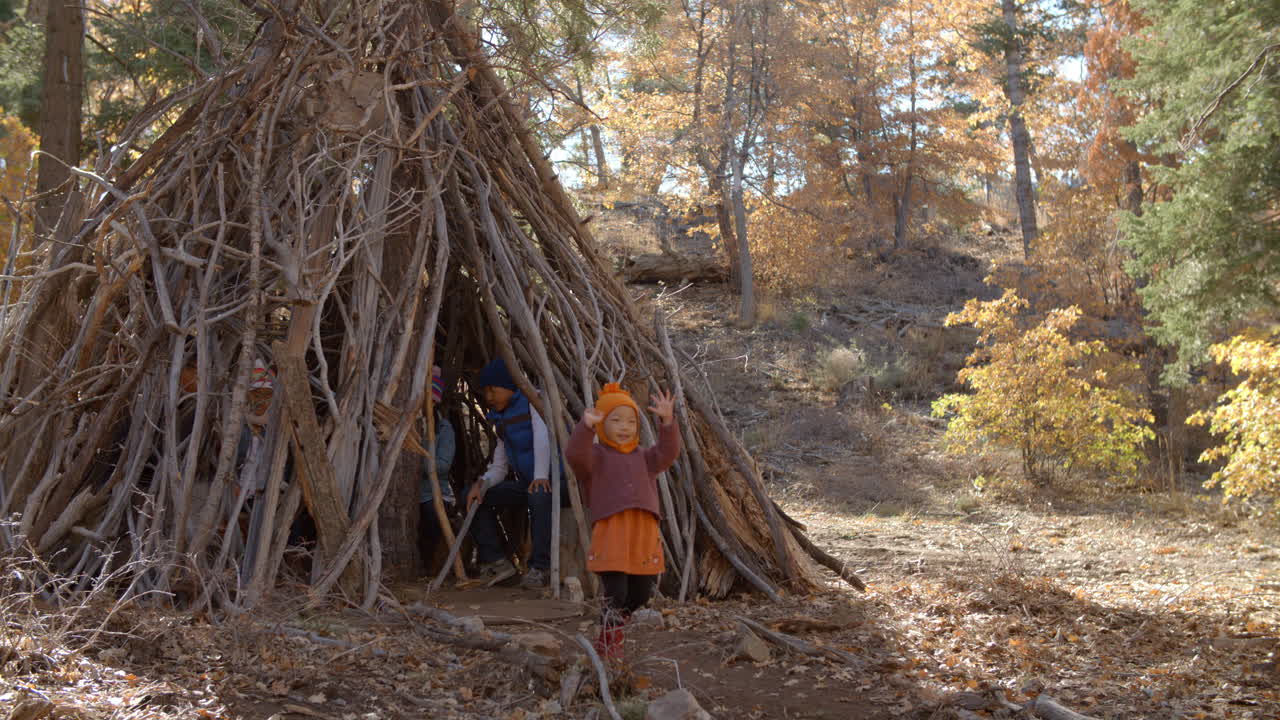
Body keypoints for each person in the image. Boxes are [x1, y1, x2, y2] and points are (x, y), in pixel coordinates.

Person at [565, 383, 680, 660]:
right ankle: (609, 640)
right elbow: (575, 456)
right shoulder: (596, 458)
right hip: (612, 530)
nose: (624, 427)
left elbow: (669, 453)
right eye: (615, 420)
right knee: (615, 589)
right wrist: (586, 427)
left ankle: (615, 624)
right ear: (603, 423)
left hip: (643, 530)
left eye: (630, 421)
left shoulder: (646, 457)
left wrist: (667, 422)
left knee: (642, 591)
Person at [465, 357, 556, 589]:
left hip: (557, 483)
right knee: (477, 497)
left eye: (492, 390)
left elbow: (542, 438)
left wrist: (540, 476)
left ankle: (540, 568)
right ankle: (497, 561)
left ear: (508, 386)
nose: (488, 397)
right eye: (486, 391)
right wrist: (483, 483)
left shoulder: (533, 401)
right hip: (529, 484)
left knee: (539, 495)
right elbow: (500, 466)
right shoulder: (502, 419)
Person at [420, 366, 457, 559]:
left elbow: (442, 466)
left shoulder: (443, 429)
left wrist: (416, 461)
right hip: (412, 495)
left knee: (430, 514)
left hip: (431, 493)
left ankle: (431, 561)